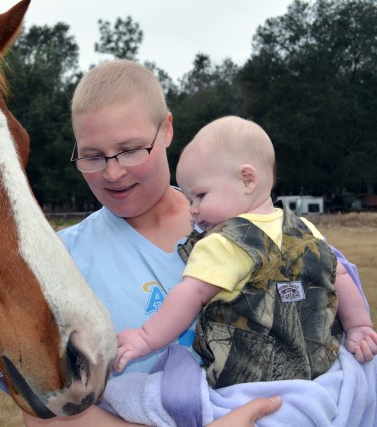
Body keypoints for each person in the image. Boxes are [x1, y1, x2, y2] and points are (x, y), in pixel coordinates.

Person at [21, 60, 375, 426]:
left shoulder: (253, 226)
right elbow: (43, 410)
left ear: (167, 130)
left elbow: (339, 324)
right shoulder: (57, 261)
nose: (112, 172)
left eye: (130, 149)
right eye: (92, 156)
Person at [114, 116, 377, 388]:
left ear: (247, 180)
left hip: (248, 385)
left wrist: (146, 337)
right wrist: (359, 326)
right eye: (189, 200)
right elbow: (340, 275)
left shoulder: (222, 243)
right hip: (321, 376)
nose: (192, 209)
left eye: (201, 196)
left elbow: (188, 295)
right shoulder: (306, 230)